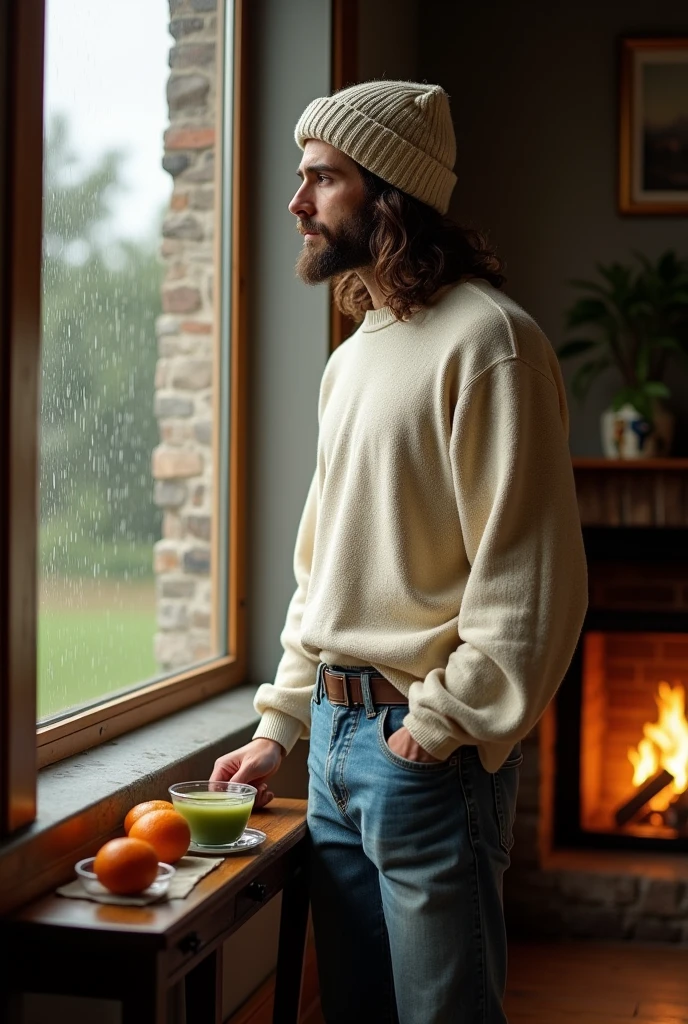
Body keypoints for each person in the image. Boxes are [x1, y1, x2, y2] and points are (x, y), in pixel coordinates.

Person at [211, 79, 588, 1024]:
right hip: (336, 749)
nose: (297, 202)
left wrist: (438, 727)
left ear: (389, 194)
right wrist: (279, 727)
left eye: (321, 178)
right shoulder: (354, 356)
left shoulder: (493, 344)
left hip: (423, 752)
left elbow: (532, 577)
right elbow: (323, 566)